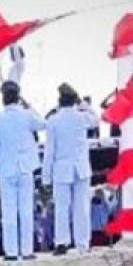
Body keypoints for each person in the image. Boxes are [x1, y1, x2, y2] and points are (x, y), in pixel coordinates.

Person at [0, 80, 45, 260]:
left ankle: (11, 252)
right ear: (18, 97)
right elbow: (43, 124)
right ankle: (27, 251)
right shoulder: (27, 115)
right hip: (25, 168)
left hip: (6, 170)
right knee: (26, 211)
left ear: (3, 98)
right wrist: (29, 106)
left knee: (9, 212)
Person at [43, 83, 99, 255]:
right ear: (74, 101)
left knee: (62, 207)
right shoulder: (82, 117)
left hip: (61, 169)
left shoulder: (53, 120)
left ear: (59, 101)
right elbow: (96, 118)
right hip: (80, 169)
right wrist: (83, 104)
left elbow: (49, 151)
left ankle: (62, 243)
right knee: (81, 207)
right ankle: (83, 244)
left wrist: (46, 177)